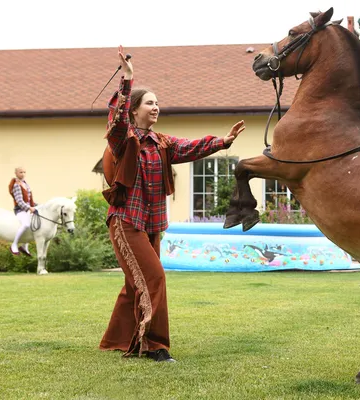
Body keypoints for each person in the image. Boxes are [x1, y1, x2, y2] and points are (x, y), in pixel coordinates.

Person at [99, 45, 245, 363]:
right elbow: (117, 118)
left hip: (152, 224)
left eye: (157, 103)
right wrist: (127, 79)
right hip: (126, 221)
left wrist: (223, 141)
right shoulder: (122, 139)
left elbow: (190, 147)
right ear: (135, 109)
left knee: (134, 282)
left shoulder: (162, 141)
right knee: (154, 278)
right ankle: (154, 345)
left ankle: (122, 340)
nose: (156, 108)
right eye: (150, 103)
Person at [8, 166, 36, 256]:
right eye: (20, 172)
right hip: (20, 210)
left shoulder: (25, 183)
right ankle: (14, 245)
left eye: (24, 172)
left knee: (33, 225)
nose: (23, 174)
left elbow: (29, 199)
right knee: (26, 224)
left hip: (27, 209)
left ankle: (24, 246)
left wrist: (37, 206)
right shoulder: (17, 185)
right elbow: (19, 201)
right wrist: (29, 208)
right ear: (16, 173)